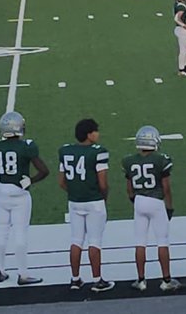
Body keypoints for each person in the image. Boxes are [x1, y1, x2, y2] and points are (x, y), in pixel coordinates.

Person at [0, 112, 49, 286]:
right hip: (20, 194)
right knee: (20, 233)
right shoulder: (27, 146)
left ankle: (0, 270)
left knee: (1, 232)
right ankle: (23, 274)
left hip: (1, 193)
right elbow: (44, 171)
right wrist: (31, 180)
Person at [123, 126, 181, 292]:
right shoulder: (161, 159)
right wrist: (169, 206)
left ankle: (141, 280)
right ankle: (166, 280)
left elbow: (129, 188)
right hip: (156, 201)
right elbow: (166, 187)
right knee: (162, 241)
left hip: (139, 201)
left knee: (140, 242)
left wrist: (135, 201)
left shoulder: (129, 160)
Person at [59, 118, 113, 292]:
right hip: (94, 201)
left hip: (75, 202)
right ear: (89, 134)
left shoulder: (66, 151)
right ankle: (97, 280)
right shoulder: (98, 152)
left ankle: (75, 279)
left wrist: (76, 192)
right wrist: (103, 197)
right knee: (94, 242)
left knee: (76, 241)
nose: (98, 134)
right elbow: (103, 183)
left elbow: (61, 182)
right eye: (95, 131)